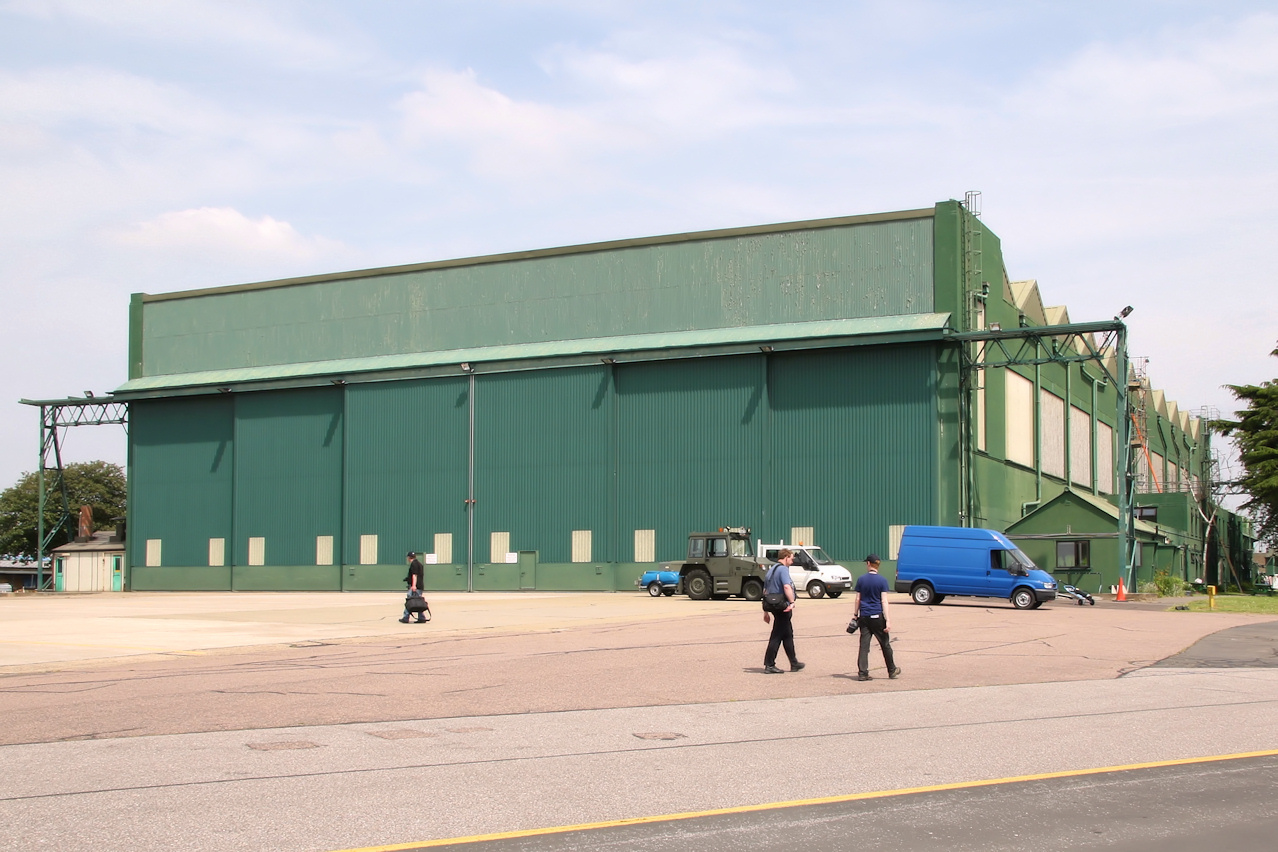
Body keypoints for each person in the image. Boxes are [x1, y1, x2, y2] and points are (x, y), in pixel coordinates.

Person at [852, 553, 899, 681]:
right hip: (878, 616)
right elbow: (884, 600)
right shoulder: (882, 580)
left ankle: (863, 673)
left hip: (865, 616)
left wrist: (855, 615)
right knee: (885, 644)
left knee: (864, 646)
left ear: (868, 564)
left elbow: (858, 599)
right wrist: (888, 620)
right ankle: (891, 670)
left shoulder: (861, 579)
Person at [762, 548, 805, 674]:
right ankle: (769, 664)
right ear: (786, 557)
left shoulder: (771, 570)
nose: (792, 561)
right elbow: (786, 586)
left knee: (787, 634)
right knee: (777, 635)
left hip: (773, 605)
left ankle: (794, 662)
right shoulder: (783, 570)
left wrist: (765, 611)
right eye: (791, 558)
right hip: (782, 607)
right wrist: (792, 602)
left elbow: (765, 591)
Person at [400, 551, 426, 623]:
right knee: (418, 602)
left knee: (410, 601)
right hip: (420, 585)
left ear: (408, 557)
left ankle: (406, 617)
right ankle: (421, 617)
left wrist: (413, 585)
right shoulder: (419, 564)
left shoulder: (413, 564)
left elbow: (414, 575)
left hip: (415, 586)